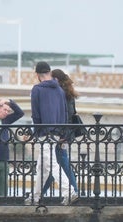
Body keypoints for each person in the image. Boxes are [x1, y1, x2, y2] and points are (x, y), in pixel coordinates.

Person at [26, 62, 77, 205]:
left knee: (51, 164)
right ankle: (35, 197)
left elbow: (36, 114)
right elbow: (64, 112)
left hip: (44, 131)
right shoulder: (60, 90)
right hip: (56, 132)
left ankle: (69, 191)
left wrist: (36, 132)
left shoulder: (37, 90)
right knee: (42, 167)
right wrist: (62, 133)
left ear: (37, 75)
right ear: (49, 72)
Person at [41, 69, 79, 205]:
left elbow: (65, 116)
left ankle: (74, 191)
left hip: (60, 135)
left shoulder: (60, 93)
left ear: (56, 79)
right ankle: (40, 193)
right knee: (53, 165)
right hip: (64, 135)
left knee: (59, 163)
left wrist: (62, 134)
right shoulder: (67, 93)